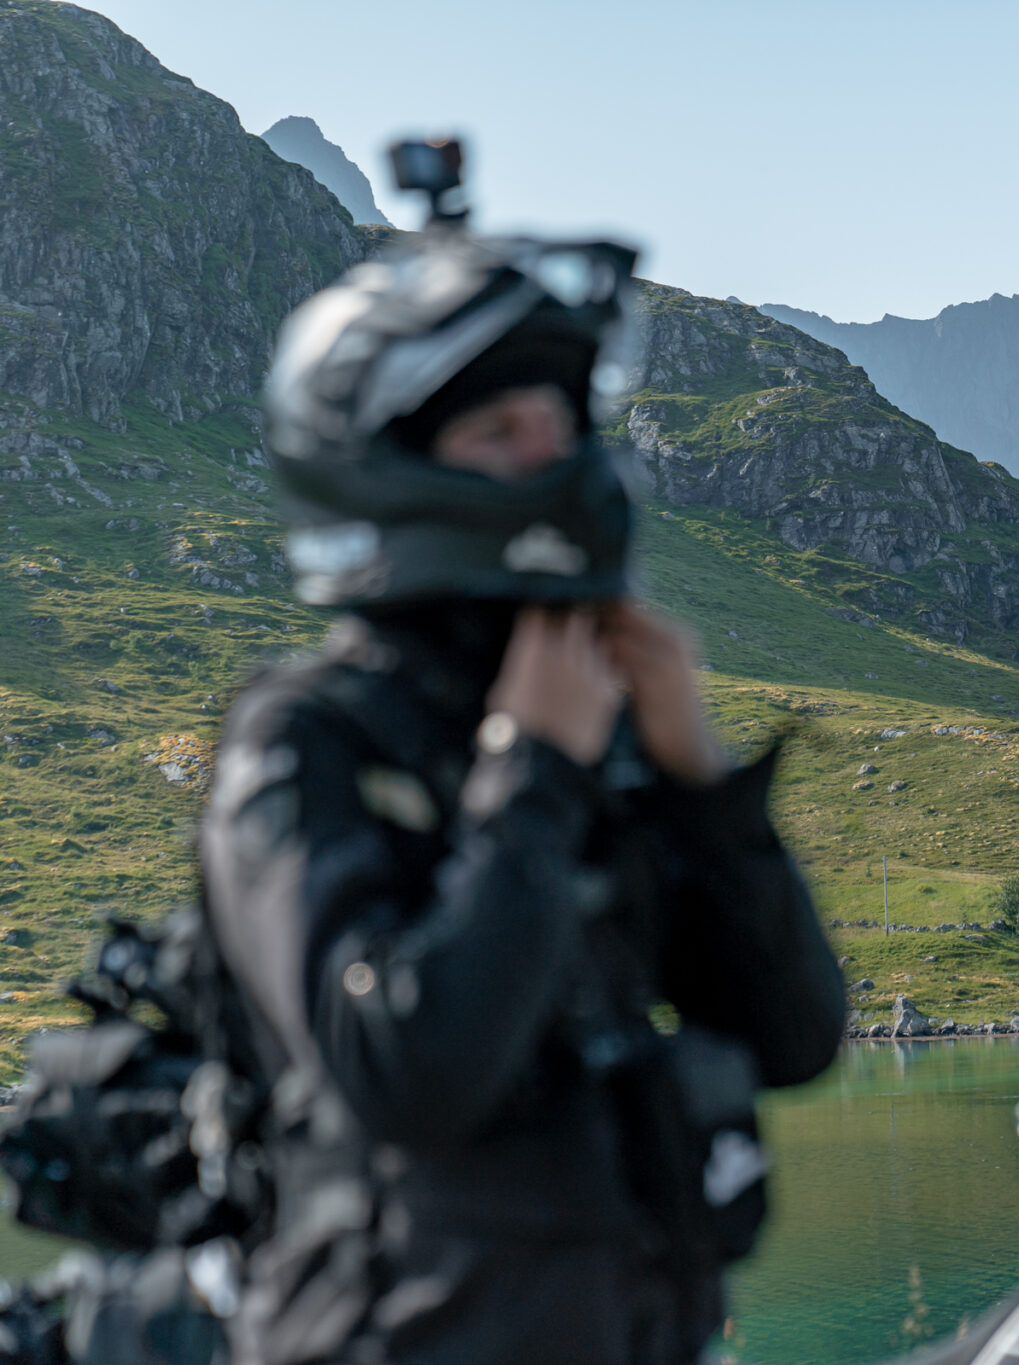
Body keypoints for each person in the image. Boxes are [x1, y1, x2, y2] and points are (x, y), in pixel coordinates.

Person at [199, 174, 843, 1363]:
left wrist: (696, 776)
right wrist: (533, 769)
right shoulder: (303, 740)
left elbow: (794, 1034)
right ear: (385, 465)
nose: (547, 454)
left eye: (557, 418)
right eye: (498, 431)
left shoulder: (596, 725)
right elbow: (409, 1072)